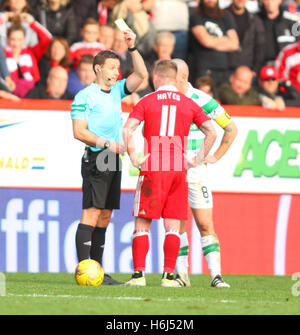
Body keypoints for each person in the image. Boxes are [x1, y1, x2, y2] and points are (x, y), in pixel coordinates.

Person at [123, 60, 217, 287]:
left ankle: (138, 276)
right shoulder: (188, 103)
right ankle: (169, 277)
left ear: (155, 77)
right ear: (176, 79)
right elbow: (211, 132)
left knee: (142, 224)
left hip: (153, 165)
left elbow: (128, 129)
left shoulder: (147, 100)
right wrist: (197, 159)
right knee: (173, 226)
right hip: (178, 168)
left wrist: (134, 156)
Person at [70, 29, 148, 285]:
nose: (117, 72)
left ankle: (97, 272)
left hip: (113, 157)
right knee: (91, 213)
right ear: (98, 69)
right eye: (112, 67)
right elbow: (79, 131)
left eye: (118, 67)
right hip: (97, 156)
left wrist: (133, 47)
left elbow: (142, 76)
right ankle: (84, 270)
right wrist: (107, 144)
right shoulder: (84, 96)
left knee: (105, 214)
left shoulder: (116, 92)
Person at [172, 58, 237, 288]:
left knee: (205, 223)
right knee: (175, 223)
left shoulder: (202, 99)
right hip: (171, 171)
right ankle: (181, 276)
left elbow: (230, 127)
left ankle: (216, 276)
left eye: (170, 76)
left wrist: (215, 156)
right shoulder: (165, 98)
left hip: (196, 172)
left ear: (181, 77)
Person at [188, 0, 239, 85]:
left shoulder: (225, 15)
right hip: (204, 70)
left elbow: (235, 44)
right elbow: (206, 41)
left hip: (224, 71)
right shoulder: (196, 16)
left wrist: (212, 41)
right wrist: (225, 39)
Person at [3, 13, 52, 97]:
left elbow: (47, 38)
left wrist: (32, 22)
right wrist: (2, 19)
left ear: (24, 39)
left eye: (19, 39)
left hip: (32, 94)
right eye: (12, 39)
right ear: (7, 38)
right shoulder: (2, 54)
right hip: (9, 94)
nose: (16, 43)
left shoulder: (31, 52)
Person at [226, 0, 266, 75]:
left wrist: (255, 70)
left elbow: (260, 47)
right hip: (226, 69)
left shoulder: (255, 20)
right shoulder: (221, 16)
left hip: (247, 71)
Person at [258, 0, 298, 65]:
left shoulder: (293, 20)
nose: (270, 2)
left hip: (287, 66)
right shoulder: (254, 20)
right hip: (263, 66)